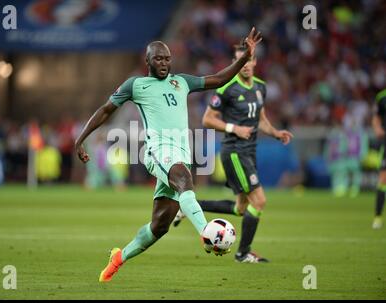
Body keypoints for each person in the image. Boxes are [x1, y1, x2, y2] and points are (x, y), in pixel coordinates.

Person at [75, 28, 262, 282]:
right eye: (158, 59)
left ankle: (120, 257)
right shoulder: (136, 85)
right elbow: (106, 110)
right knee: (185, 181)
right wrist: (81, 138)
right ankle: (208, 234)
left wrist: (243, 58)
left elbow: (218, 79)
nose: (163, 63)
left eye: (167, 59)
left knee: (159, 226)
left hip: (180, 153)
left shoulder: (181, 81)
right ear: (148, 61)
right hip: (157, 152)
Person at [173, 43, 293, 263]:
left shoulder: (260, 87)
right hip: (235, 152)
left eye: (248, 60)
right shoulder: (227, 88)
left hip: (250, 151)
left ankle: (188, 207)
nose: (245, 65)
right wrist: (234, 128)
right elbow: (207, 119)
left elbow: (261, 119)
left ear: (255, 61)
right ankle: (242, 253)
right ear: (234, 63)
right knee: (259, 201)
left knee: (241, 208)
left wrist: (275, 133)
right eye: (240, 61)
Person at [371, 88, 386, 229]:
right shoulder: (382, 97)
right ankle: (377, 217)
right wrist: (377, 129)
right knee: (383, 179)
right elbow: (376, 117)